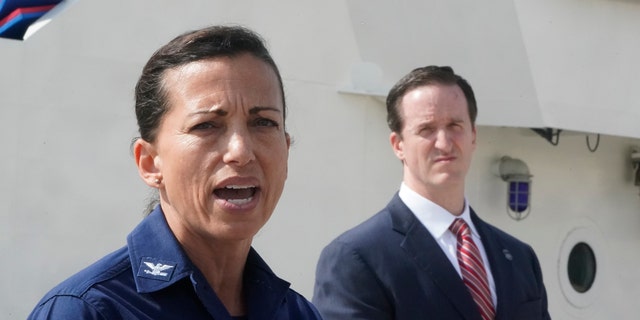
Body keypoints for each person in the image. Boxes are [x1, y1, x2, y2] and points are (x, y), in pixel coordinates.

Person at [28, 25, 322, 319]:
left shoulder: (299, 313)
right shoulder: (87, 310)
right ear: (150, 163)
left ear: (286, 149)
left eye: (263, 123)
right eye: (206, 125)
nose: (241, 152)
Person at [313, 65, 550, 319]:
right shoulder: (355, 259)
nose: (444, 143)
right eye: (426, 129)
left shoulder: (520, 257)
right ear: (398, 145)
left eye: (455, 125)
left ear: (473, 136)